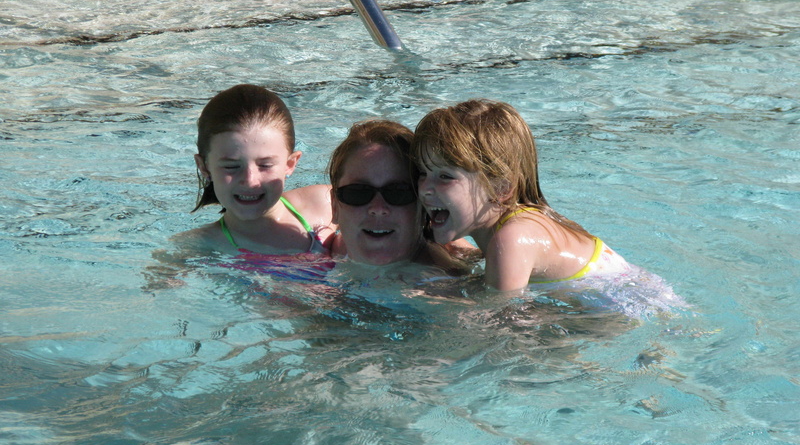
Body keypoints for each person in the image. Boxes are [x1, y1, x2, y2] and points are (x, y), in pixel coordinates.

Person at [412, 98, 639, 292]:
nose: (425, 188)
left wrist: (427, 296)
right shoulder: (512, 229)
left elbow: (499, 322)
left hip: (626, 309)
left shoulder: (512, 239)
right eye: (423, 172)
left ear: (501, 189)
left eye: (445, 177)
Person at [172, 83, 334, 257]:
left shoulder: (326, 204)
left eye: (265, 165)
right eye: (231, 167)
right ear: (204, 167)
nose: (250, 180)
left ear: (290, 164)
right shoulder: (197, 247)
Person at [327, 119, 470, 275]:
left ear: (424, 207)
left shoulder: (446, 287)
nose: (378, 209)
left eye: (398, 192)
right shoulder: (321, 248)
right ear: (334, 206)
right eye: (358, 192)